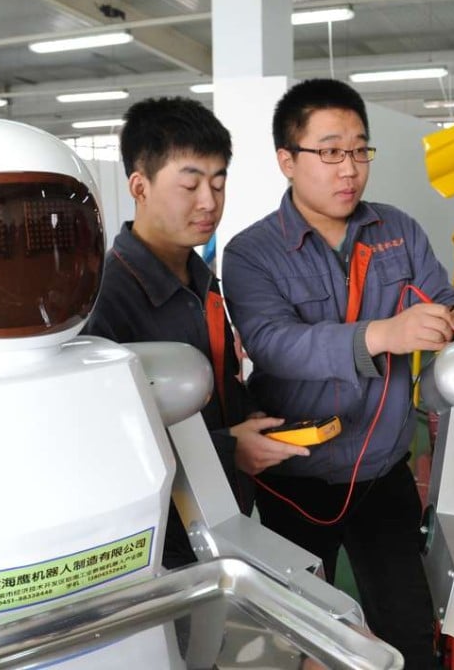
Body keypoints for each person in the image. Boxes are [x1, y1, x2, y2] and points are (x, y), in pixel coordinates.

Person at [221, 79, 454, 666]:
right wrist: (382, 335)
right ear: (287, 161)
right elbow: (272, 344)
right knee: (300, 632)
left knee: (409, 629)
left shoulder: (397, 231)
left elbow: (438, 293)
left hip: (382, 471)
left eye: (360, 150)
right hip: (294, 471)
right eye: (331, 151)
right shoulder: (250, 253)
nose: (349, 169)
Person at [83, 97, 310, 570]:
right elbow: (106, 441)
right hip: (160, 542)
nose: (209, 202)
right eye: (190, 185)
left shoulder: (199, 275)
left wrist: (257, 418)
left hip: (221, 513)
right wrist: (231, 449)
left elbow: (218, 387)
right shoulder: (105, 302)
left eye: (219, 183)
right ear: (139, 186)